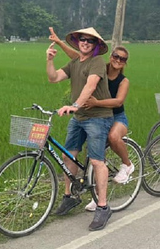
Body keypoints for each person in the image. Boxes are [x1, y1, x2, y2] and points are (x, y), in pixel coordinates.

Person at [46, 27, 114, 231]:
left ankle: (102, 206)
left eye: (90, 41)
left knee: (96, 160)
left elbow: (91, 86)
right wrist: (49, 60)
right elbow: (54, 78)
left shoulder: (97, 62)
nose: (85, 43)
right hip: (79, 117)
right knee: (68, 156)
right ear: (77, 41)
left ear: (96, 46)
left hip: (97, 118)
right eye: (82, 40)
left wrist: (74, 105)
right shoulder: (74, 62)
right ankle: (70, 196)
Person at [81, 45, 135, 211]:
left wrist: (96, 103)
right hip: (100, 116)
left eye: (122, 59)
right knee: (97, 157)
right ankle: (97, 196)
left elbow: (118, 101)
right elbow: (79, 59)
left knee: (113, 137)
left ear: (125, 63)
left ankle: (127, 165)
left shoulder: (123, 81)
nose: (118, 60)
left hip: (118, 117)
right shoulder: (101, 69)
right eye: (116, 56)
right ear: (111, 56)